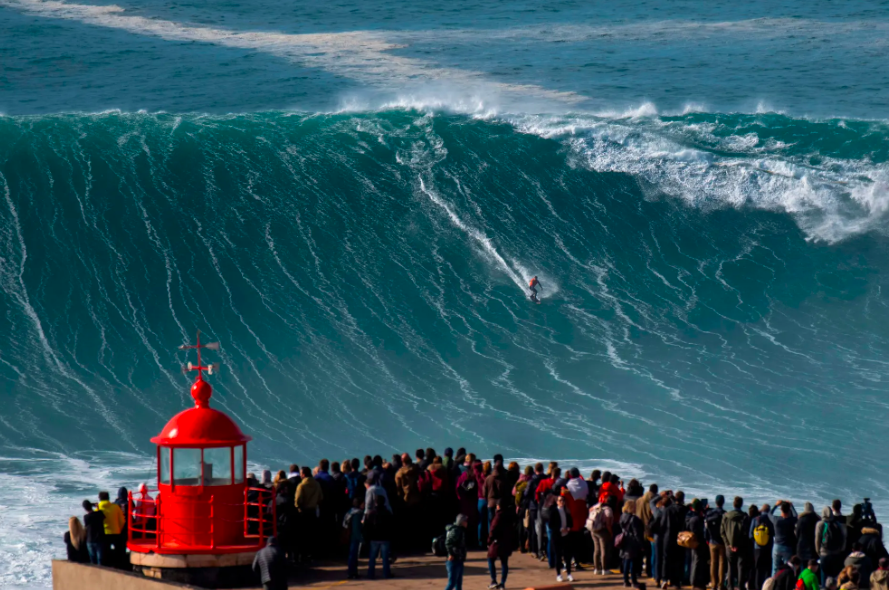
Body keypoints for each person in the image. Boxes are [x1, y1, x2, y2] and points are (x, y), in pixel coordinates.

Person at [294, 466, 323, 564]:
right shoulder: (317, 484)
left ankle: (303, 555)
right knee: (312, 534)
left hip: (303, 512)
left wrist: (298, 508)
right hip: (313, 511)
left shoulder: (301, 485)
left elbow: (297, 500)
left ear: (303, 474)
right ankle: (312, 555)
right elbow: (320, 498)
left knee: (303, 535)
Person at [723, 497, 751, 590]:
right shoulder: (744, 516)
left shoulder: (726, 516)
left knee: (730, 567)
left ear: (733, 504)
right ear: (741, 504)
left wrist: (728, 544)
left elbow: (722, 532)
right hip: (741, 546)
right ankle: (741, 587)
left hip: (729, 546)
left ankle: (730, 587)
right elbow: (746, 533)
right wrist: (738, 545)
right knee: (741, 567)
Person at [487, 499, 517, 590]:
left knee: (490, 559)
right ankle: (502, 583)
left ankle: (493, 580)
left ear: (498, 506)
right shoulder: (509, 515)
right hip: (506, 542)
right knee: (504, 563)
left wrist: (489, 541)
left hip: (497, 543)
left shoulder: (498, 516)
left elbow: (493, 529)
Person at [364, 495, 394, 580]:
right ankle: (386, 573)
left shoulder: (371, 513)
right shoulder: (387, 513)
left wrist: (367, 537)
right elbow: (391, 526)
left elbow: (367, 526)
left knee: (372, 557)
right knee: (385, 558)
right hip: (385, 537)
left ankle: (370, 574)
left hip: (374, 537)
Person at [817, 504, 848, 583]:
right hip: (836, 553)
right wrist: (842, 549)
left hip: (824, 553)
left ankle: (825, 587)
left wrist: (818, 551)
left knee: (824, 574)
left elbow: (817, 539)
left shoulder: (820, 524)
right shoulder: (838, 524)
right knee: (835, 575)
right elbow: (844, 537)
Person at [548, 494, 575, 583]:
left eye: (563, 500)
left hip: (566, 536)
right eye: (559, 500)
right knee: (558, 556)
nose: (561, 502)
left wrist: (568, 528)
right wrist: (559, 529)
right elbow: (551, 524)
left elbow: (571, 523)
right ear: (556, 502)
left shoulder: (567, 511)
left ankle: (569, 574)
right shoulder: (554, 511)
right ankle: (558, 575)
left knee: (567, 557)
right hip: (557, 537)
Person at [620, 499, 646, 589]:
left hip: (625, 540)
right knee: (633, 562)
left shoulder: (622, 516)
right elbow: (637, 533)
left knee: (626, 561)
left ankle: (625, 580)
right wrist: (641, 545)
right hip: (632, 542)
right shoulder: (634, 519)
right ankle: (633, 580)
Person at [97, 491, 125, 566]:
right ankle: (119, 565)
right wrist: (119, 528)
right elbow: (122, 521)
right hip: (116, 532)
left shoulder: (98, 508)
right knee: (118, 552)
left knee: (105, 552)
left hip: (104, 534)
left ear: (99, 498)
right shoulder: (115, 507)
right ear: (108, 498)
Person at [589, 494, 615, 575]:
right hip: (602, 531)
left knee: (596, 549)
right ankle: (605, 569)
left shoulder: (597, 506)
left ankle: (596, 568)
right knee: (604, 550)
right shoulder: (608, 510)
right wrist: (611, 533)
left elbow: (590, 510)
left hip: (593, 529)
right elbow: (608, 524)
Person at [688, 499, 711, 590]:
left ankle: (694, 581)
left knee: (694, 562)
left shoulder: (692, 518)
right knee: (697, 563)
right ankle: (695, 582)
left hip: (694, 543)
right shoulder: (698, 519)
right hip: (699, 543)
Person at [752, 504, 776, 590]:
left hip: (757, 548)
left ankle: (757, 587)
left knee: (758, 569)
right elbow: (773, 533)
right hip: (769, 547)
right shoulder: (771, 519)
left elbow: (750, 534)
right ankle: (766, 587)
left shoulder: (756, 519)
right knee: (767, 568)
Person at [771, 501, 799, 575]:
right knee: (788, 567)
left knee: (775, 568)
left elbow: (769, 514)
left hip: (777, 546)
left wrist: (776, 505)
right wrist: (791, 506)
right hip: (787, 547)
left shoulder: (776, 520)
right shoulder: (791, 520)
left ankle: (773, 584)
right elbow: (796, 516)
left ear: (781, 509)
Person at [707, 495, 728, 590]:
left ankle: (713, 584)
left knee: (713, 563)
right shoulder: (725, 514)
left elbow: (706, 527)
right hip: (722, 541)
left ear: (716, 503)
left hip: (712, 541)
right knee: (722, 563)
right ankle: (720, 585)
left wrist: (707, 538)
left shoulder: (711, 513)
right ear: (723, 503)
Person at [445, 514, 469, 590]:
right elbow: (448, 543)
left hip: (459, 559)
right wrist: (451, 554)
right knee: (452, 583)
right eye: (465, 521)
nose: (466, 523)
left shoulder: (460, 530)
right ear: (461, 522)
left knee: (458, 584)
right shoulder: (455, 530)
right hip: (454, 560)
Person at [343, 498, 364, 579]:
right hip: (355, 537)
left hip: (351, 535)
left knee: (352, 555)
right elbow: (357, 528)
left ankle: (352, 572)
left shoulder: (350, 512)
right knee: (354, 555)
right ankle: (352, 573)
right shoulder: (358, 514)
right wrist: (361, 539)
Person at [82, 499, 105, 565]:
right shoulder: (99, 514)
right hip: (99, 539)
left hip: (90, 540)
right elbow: (103, 517)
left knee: (93, 560)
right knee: (100, 560)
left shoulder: (86, 517)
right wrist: (97, 507)